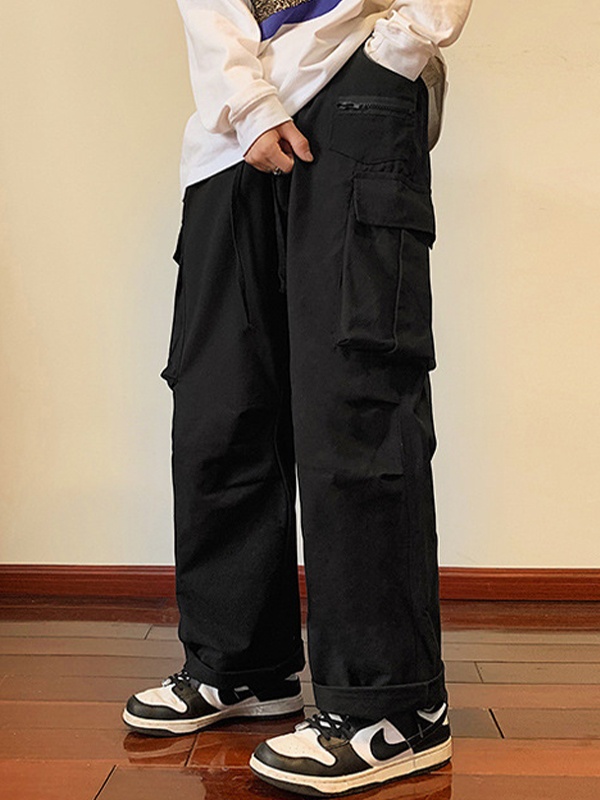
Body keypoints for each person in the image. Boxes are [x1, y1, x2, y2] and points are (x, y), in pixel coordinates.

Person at [123, 0, 472, 794]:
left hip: (357, 90)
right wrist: (245, 102)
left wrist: (402, 48)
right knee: (219, 405)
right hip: (225, 133)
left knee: (354, 401)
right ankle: (242, 664)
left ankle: (397, 706)